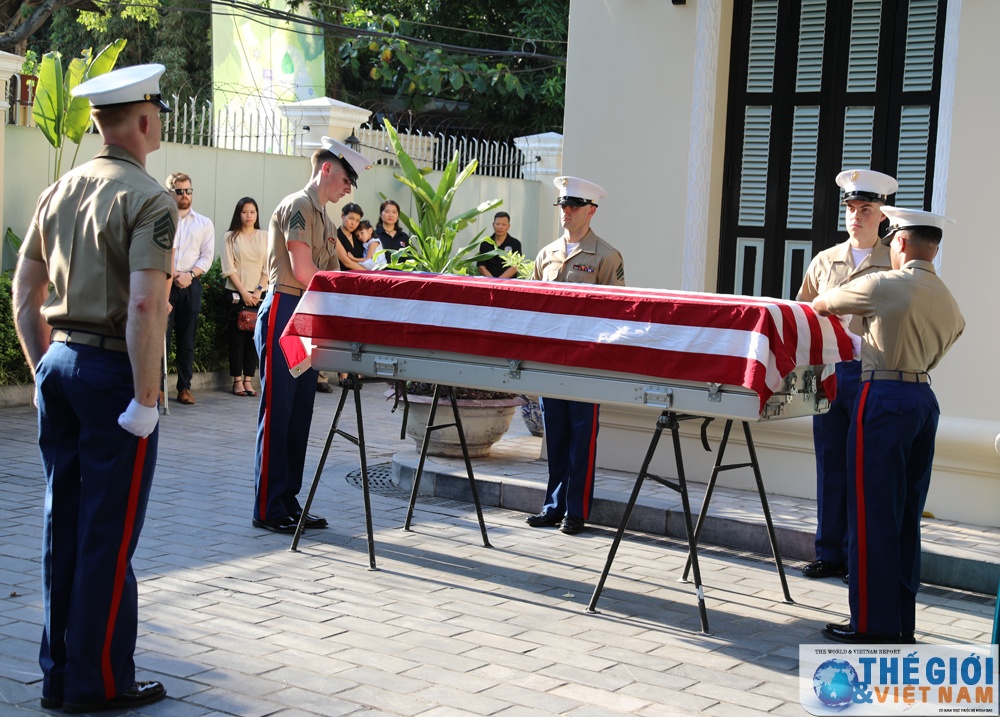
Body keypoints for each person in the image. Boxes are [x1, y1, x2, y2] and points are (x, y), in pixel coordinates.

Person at [12, 64, 175, 712]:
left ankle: (59, 675)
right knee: (106, 534)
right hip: (112, 377)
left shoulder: (58, 190)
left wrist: (40, 369)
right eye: (158, 114)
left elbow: (25, 293)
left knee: (66, 525)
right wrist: (145, 398)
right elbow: (145, 306)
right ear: (144, 120)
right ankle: (99, 682)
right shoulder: (150, 199)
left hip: (61, 363)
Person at [812, 207, 964, 644]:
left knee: (870, 513)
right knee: (905, 517)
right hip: (923, 398)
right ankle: (901, 623)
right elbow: (947, 343)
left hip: (882, 397)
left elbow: (823, 303)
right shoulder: (948, 299)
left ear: (898, 241)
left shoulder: (884, 284)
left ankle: (871, 624)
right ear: (934, 248)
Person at [253, 136, 372, 533]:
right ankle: (268, 507)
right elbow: (303, 271)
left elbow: (333, 272)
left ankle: (288, 499)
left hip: (307, 314)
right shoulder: (299, 206)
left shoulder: (325, 219)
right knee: (279, 411)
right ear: (326, 169)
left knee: (300, 411)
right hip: (286, 309)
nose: (349, 190)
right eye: (346, 180)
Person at [795, 169, 897, 581]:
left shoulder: (894, 263)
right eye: (851, 208)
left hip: (873, 374)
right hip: (830, 374)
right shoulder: (824, 260)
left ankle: (859, 559)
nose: (856, 216)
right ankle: (829, 553)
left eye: (866, 208)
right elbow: (803, 314)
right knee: (830, 463)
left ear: (883, 215)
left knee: (865, 469)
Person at [526, 176, 625, 535]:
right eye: (563, 205)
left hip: (585, 362)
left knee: (582, 436)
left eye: (573, 206)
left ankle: (576, 510)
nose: (565, 211)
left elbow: (616, 312)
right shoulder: (546, 254)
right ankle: (553, 506)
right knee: (555, 433)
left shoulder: (607, 255)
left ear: (591, 210)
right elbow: (534, 306)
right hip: (552, 358)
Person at [165, 171, 215, 405]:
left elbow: (207, 256)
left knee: (186, 340)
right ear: (170, 193)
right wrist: (173, 274)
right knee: (161, 338)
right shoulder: (162, 220)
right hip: (165, 283)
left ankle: (184, 388)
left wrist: (190, 275)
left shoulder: (204, 223)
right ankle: (157, 388)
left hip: (191, 284)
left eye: (188, 190)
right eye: (179, 191)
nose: (184, 195)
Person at [220, 197, 268, 397]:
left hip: (259, 295)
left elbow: (268, 267)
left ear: (257, 214)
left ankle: (249, 379)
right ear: (238, 214)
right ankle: (237, 381)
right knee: (237, 339)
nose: (249, 216)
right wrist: (244, 292)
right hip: (235, 294)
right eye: (244, 211)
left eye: (252, 212)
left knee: (254, 339)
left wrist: (257, 291)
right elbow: (228, 268)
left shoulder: (265, 236)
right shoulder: (230, 237)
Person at [477, 211, 523, 278]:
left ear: (508, 226)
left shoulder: (515, 244)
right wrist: (492, 281)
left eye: (504, 224)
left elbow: (516, 266)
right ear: (493, 224)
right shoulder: (485, 243)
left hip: (508, 283)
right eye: (497, 224)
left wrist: (500, 281)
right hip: (489, 282)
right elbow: (481, 267)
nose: (500, 227)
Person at [335, 202, 377, 271]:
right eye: (351, 218)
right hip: (343, 274)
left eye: (357, 220)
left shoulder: (359, 237)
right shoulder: (335, 235)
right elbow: (347, 262)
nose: (353, 223)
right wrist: (369, 274)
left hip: (363, 275)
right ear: (343, 215)